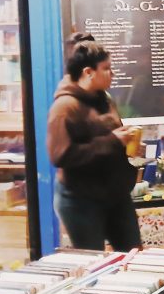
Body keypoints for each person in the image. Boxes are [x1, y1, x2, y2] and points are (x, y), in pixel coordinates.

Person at [47, 39, 142, 251]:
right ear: (88, 72)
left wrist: (128, 144)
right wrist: (112, 142)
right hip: (81, 200)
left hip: (116, 195)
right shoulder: (64, 107)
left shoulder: (105, 99)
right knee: (93, 264)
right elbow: (60, 156)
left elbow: (112, 137)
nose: (112, 73)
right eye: (106, 69)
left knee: (133, 256)